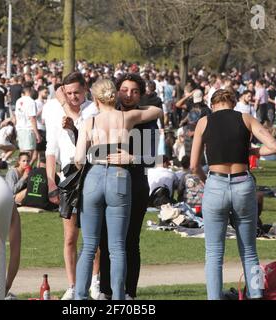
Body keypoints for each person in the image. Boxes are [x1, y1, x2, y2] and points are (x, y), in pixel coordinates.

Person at [74, 79, 162, 300]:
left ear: (95, 99)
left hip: (94, 175)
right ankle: (119, 298)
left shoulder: (90, 121)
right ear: (114, 96)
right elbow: (157, 111)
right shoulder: (126, 117)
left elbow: (77, 159)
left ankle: (80, 296)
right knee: (118, 246)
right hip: (119, 175)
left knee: (89, 246)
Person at [190, 89, 276, 300]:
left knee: (213, 254)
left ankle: (214, 297)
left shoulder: (204, 122)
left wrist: (207, 181)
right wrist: (255, 152)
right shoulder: (246, 118)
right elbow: (275, 146)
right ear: (233, 103)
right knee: (249, 251)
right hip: (243, 183)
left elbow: (194, 165)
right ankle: (256, 295)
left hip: (215, 183)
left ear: (213, 105)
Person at [98, 73, 161, 300]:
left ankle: (129, 293)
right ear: (116, 91)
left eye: (134, 91)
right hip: (108, 184)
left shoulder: (147, 120)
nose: (128, 95)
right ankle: (105, 290)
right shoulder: (106, 116)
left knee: (131, 240)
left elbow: (153, 158)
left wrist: (131, 158)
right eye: (124, 90)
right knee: (105, 240)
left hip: (135, 184)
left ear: (141, 94)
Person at [44, 72, 99, 300]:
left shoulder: (93, 109)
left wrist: (66, 104)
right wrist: (50, 182)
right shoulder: (54, 110)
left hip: (91, 172)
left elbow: (83, 127)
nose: (73, 96)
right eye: (68, 93)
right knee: (69, 237)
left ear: (85, 89)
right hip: (67, 177)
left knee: (93, 236)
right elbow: (50, 148)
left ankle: (95, 281)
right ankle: (73, 284)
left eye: (77, 92)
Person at [13, 87, 41, 165]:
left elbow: (16, 116)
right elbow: (32, 118)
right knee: (28, 155)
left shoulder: (18, 101)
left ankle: (21, 173)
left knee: (22, 154)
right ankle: (24, 173)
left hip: (20, 129)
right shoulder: (31, 101)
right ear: (29, 91)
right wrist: (37, 134)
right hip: (28, 129)